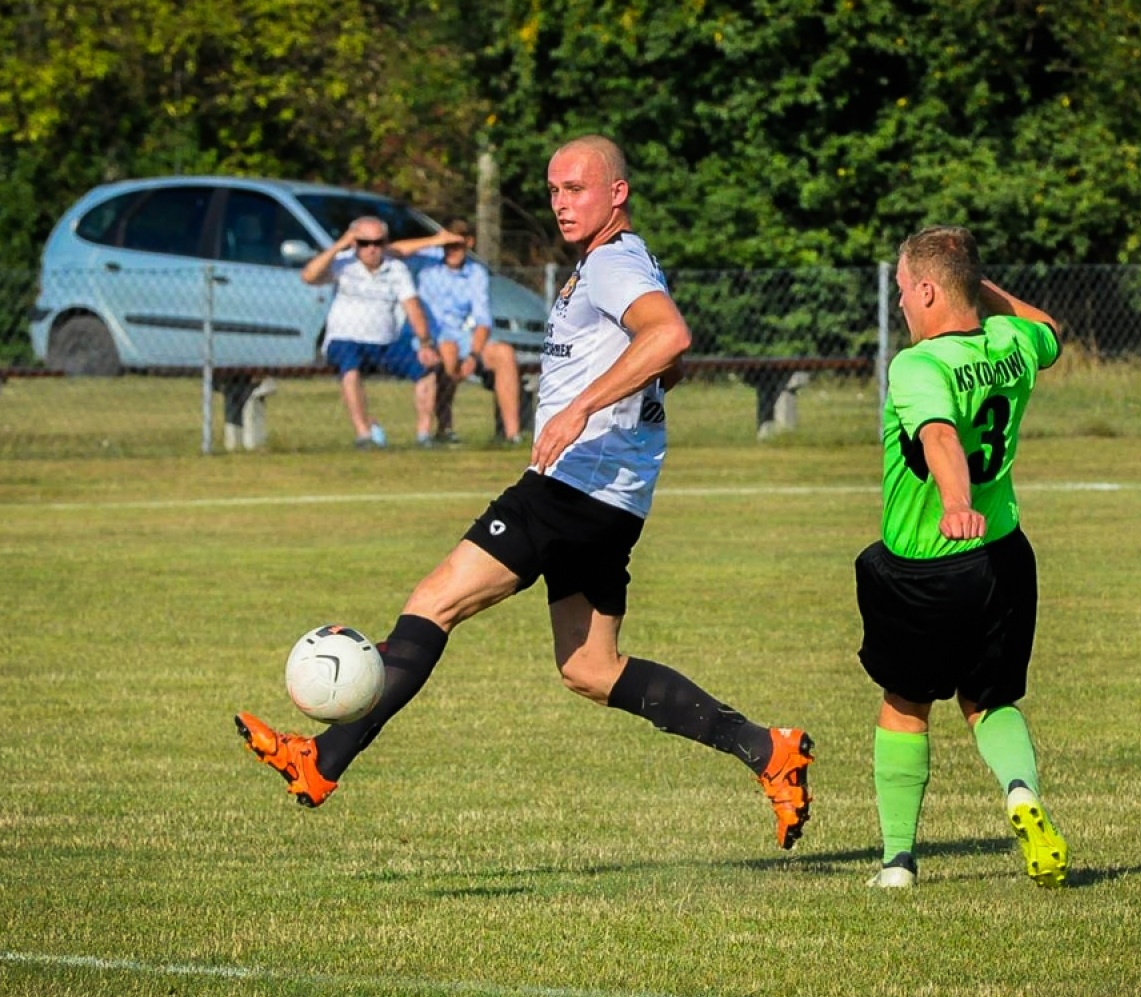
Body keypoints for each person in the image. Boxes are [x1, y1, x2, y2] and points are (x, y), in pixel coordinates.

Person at [236, 135, 814, 851]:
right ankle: (769, 750)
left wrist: (577, 410)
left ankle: (323, 759)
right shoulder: (618, 263)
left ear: (617, 193)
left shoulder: (613, 262)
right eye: (553, 190)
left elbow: (669, 336)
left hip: (574, 484)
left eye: (577, 189)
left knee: (432, 603)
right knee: (590, 668)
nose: (561, 203)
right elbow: (670, 362)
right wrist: (623, 394)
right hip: (615, 496)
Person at [858, 224, 1069, 889]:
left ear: (926, 290)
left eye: (902, 289)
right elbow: (1050, 330)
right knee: (988, 700)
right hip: (1004, 556)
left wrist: (954, 500)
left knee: (904, 705)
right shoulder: (1011, 343)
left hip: (931, 564)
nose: (899, 303)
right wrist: (978, 285)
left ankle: (897, 861)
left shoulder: (918, 366)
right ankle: (1019, 791)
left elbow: (941, 434)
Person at [300, 216, 460, 448]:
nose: (372, 249)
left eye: (377, 242)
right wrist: (339, 245)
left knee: (427, 369)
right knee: (350, 368)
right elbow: (309, 276)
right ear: (354, 243)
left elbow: (412, 306)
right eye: (364, 243)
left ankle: (424, 435)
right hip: (347, 339)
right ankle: (364, 434)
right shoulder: (342, 263)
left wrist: (425, 343)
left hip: (386, 342)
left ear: (385, 243)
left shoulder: (396, 269)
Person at [391, 219, 525, 446]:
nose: (452, 250)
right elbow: (392, 251)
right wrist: (435, 240)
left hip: (462, 333)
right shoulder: (426, 262)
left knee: (504, 353)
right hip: (429, 334)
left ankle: (512, 434)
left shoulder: (476, 273)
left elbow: (482, 319)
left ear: (469, 243)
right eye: (448, 245)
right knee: (448, 351)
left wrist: (474, 354)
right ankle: (445, 427)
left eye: (458, 244)